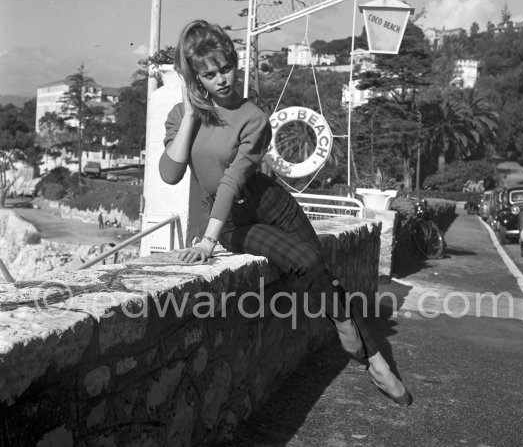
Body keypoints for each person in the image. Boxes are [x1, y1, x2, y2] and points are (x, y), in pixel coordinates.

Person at [158, 20, 412, 407]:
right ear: (195, 78)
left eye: (225, 68)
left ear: (234, 62)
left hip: (271, 202)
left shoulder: (253, 117)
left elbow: (233, 180)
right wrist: (193, 115)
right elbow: (170, 173)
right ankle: (348, 328)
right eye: (208, 75)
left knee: (322, 274)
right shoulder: (181, 116)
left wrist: (206, 239)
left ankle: (375, 360)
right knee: (308, 260)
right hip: (230, 223)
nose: (221, 80)